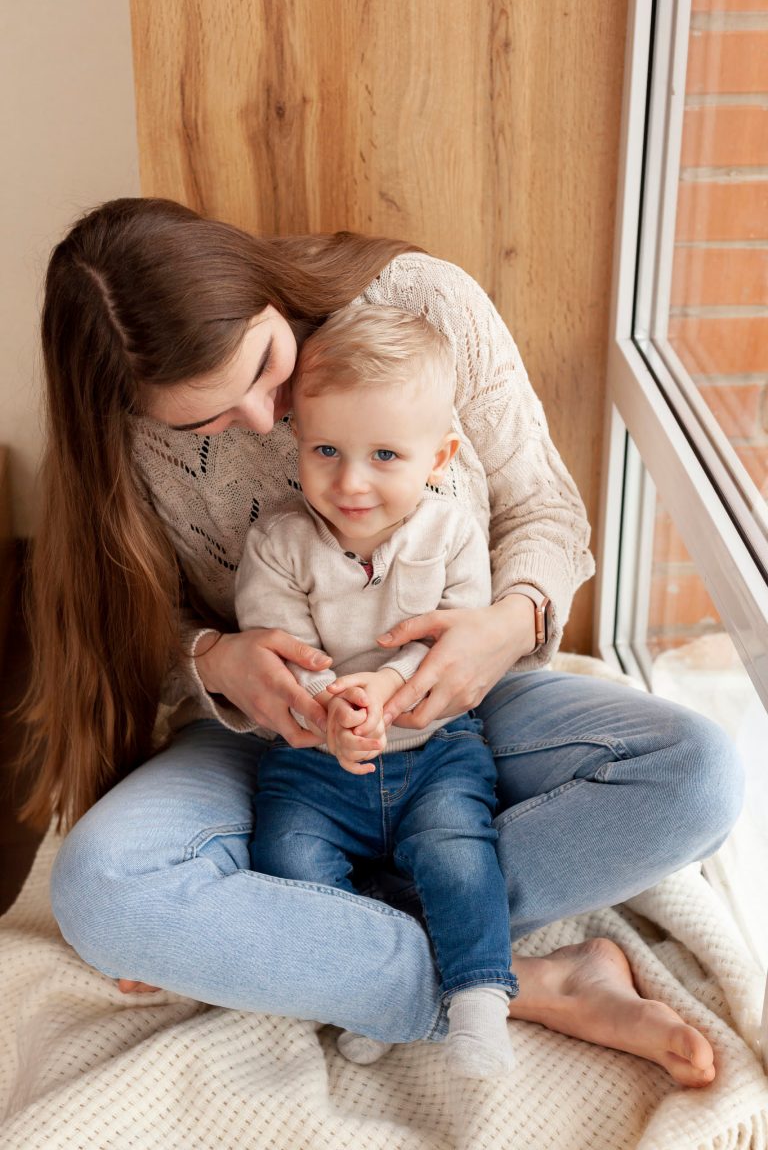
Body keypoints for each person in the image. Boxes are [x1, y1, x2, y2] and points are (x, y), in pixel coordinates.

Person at [23, 197, 743, 1090]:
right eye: (203, 422)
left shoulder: (427, 306)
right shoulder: (123, 440)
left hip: (460, 711)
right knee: (101, 890)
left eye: (265, 366)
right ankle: (512, 985)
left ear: (260, 291)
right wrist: (213, 660)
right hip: (263, 744)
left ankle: (301, 948)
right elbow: (127, 631)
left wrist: (504, 624)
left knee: (699, 773)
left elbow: (546, 512)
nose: (265, 418)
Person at [236, 305, 515, 1079]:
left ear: (438, 456)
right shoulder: (279, 542)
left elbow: (450, 637)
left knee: (461, 851)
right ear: (297, 443)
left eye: (385, 454)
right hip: (315, 759)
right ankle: (378, 985)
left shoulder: (454, 532)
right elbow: (279, 647)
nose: (350, 480)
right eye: (326, 449)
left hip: (435, 746)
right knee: (284, 856)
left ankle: (479, 999)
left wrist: (387, 687)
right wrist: (330, 706)